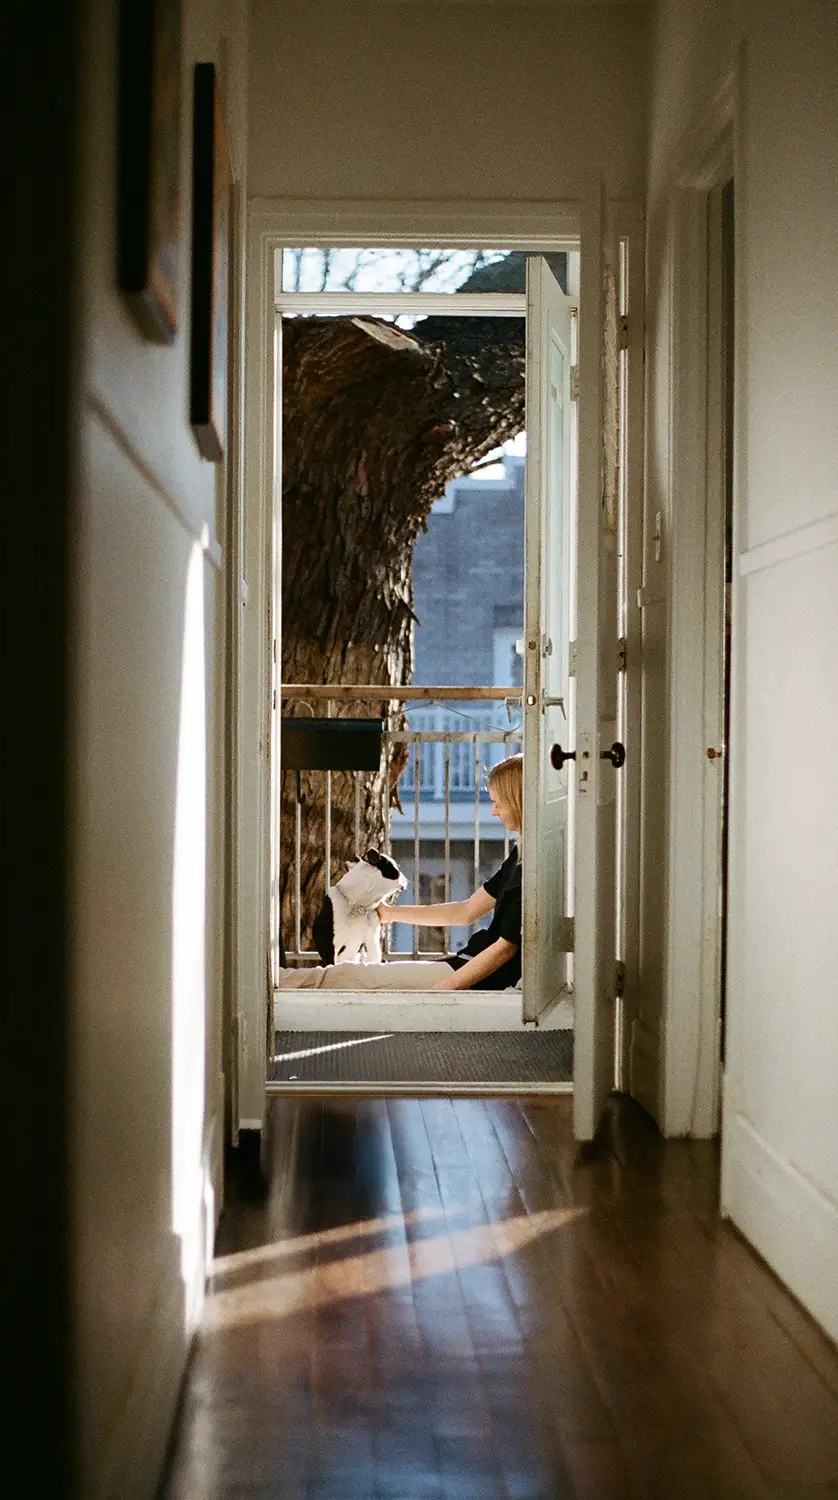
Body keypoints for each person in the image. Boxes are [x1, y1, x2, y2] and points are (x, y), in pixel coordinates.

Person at [377, 752, 522, 992]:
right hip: (465, 963)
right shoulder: (519, 857)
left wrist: (442, 990)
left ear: (518, 801)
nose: (493, 812)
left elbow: (506, 948)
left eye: (498, 803)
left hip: (476, 976)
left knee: (350, 978)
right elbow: (466, 911)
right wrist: (388, 913)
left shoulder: (531, 868)